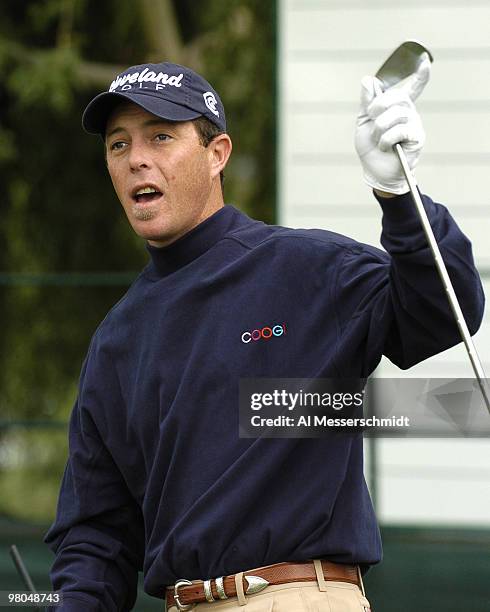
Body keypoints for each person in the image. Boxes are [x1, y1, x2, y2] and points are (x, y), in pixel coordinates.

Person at [44, 60, 484, 612]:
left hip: (301, 597)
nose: (136, 158)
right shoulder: (115, 341)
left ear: (217, 154)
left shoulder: (306, 267)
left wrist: (400, 196)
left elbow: (446, 310)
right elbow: (96, 537)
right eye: (118, 145)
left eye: (161, 136)